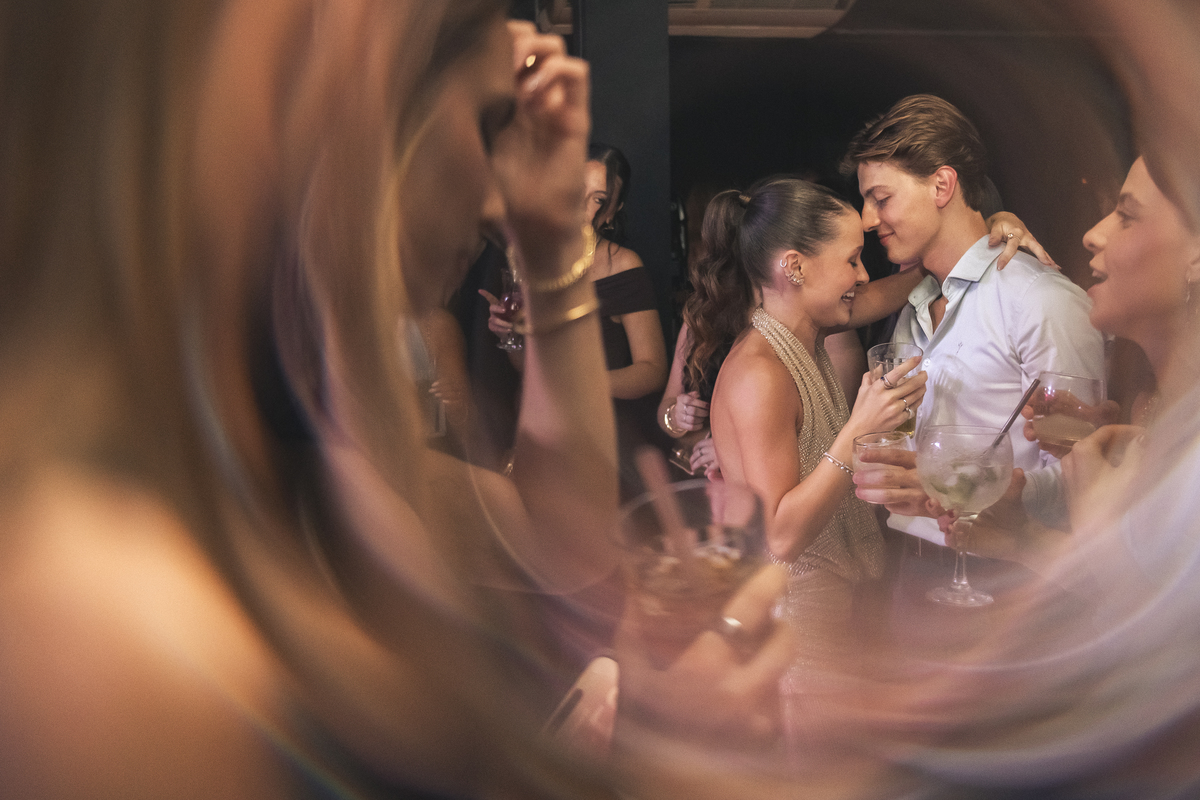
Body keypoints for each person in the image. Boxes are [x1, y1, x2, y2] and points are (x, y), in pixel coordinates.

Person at [704, 177, 929, 739]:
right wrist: (858, 431)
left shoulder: (805, 337)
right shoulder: (760, 371)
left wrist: (973, 242)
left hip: (837, 609)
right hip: (801, 627)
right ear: (795, 267)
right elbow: (781, 535)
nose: (863, 276)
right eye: (852, 260)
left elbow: (879, 296)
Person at [845, 94, 1106, 538]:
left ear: (941, 186)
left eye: (881, 198)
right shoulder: (914, 305)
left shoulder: (1040, 299)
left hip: (997, 562)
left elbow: (1085, 472)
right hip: (904, 555)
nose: (868, 220)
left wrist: (970, 492)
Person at [486, 143, 668, 497]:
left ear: (613, 211)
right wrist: (508, 335)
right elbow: (527, 367)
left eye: (598, 199)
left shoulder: (622, 265)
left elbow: (652, 369)